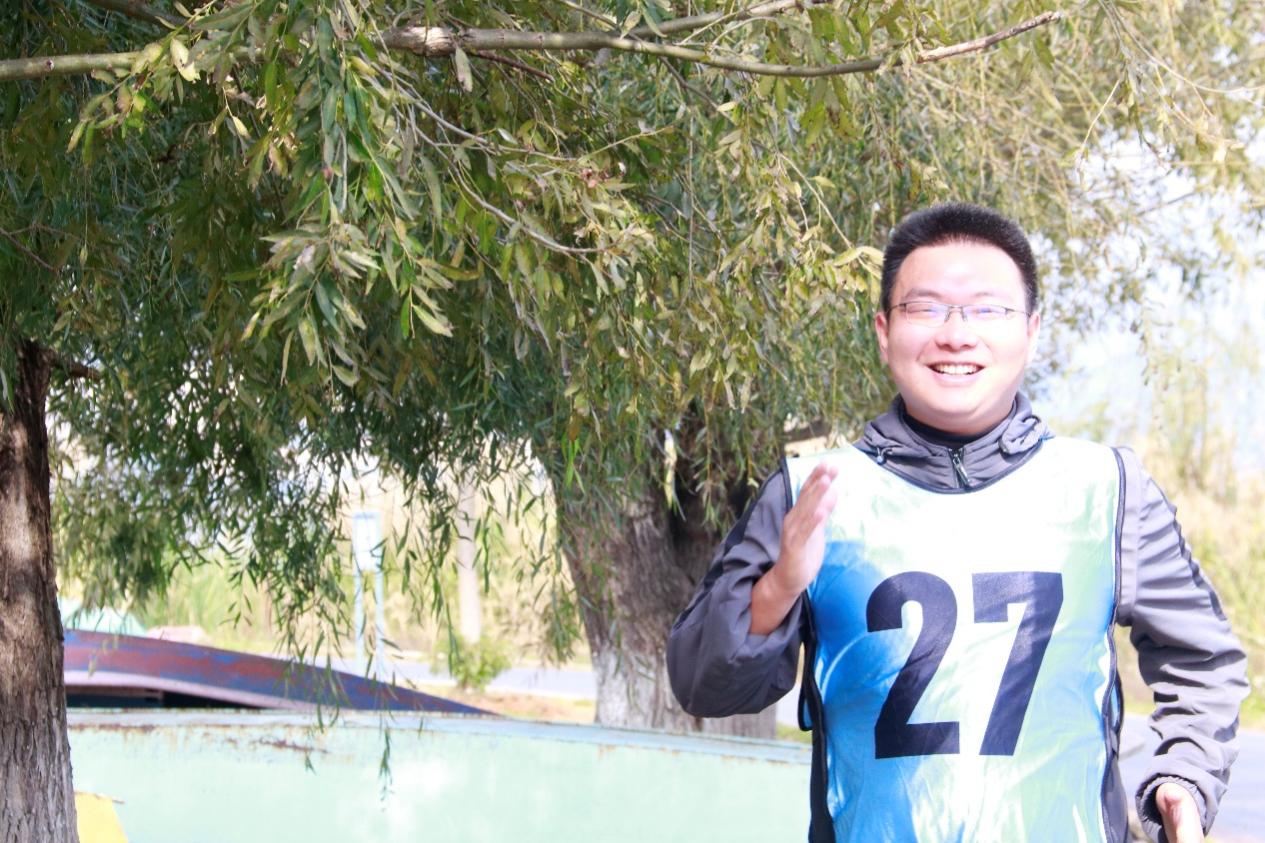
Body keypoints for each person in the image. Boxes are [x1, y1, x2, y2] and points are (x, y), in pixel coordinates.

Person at [666, 203, 1246, 843]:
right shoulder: (812, 494)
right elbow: (701, 687)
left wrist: (1184, 779)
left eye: (988, 310)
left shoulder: (1108, 490)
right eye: (926, 308)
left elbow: (1205, 661)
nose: (956, 335)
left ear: (1031, 330)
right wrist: (778, 588)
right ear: (884, 331)